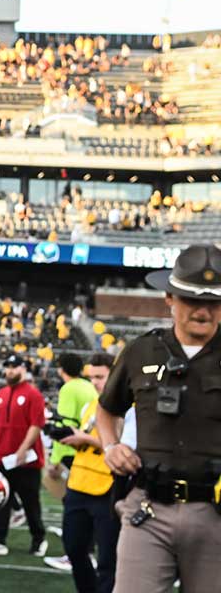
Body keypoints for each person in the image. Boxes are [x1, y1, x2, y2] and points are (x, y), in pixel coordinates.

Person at [97, 244, 221, 593]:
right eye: (192, 299)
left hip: (216, 513)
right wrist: (111, 447)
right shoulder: (141, 351)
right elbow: (107, 409)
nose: (203, 311)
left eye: (213, 302)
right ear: (170, 297)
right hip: (147, 508)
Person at [47, 354, 120, 592]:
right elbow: (89, 441)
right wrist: (72, 438)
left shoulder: (130, 405)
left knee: (108, 559)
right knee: (74, 547)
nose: (95, 382)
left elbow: (125, 447)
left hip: (108, 486)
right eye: (92, 377)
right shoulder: (92, 404)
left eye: (100, 377)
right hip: (79, 483)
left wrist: (85, 438)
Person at [0, 354, 47, 557]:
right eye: (7, 366)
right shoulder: (1, 394)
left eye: (14, 367)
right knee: (0, 502)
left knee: (30, 503)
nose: (10, 370)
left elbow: (36, 425)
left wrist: (21, 450)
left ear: (23, 369)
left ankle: (38, 539)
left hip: (26, 461)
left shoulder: (33, 394)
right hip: (2, 459)